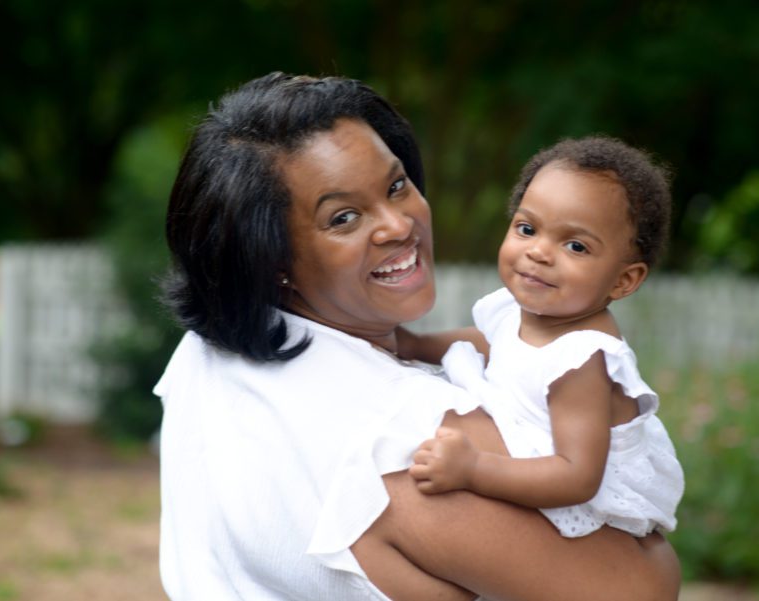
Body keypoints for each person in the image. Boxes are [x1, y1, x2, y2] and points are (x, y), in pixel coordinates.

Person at [156, 72, 681, 600]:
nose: (398, 225)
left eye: (396, 186)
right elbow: (640, 590)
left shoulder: (202, 357)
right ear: (269, 259)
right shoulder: (415, 433)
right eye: (343, 217)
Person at [403, 137, 685, 539]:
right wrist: (414, 345)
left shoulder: (582, 361)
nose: (539, 252)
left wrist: (473, 468)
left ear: (624, 280)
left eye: (575, 246)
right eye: (527, 228)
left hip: (588, 509)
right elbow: (493, 344)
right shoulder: (528, 312)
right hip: (534, 462)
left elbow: (576, 478)